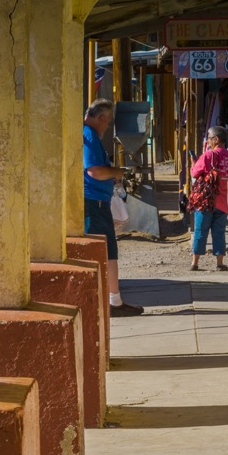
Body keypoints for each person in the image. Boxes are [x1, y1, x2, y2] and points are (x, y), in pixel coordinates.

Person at [83, 98, 144, 316]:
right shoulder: (89, 135)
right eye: (107, 123)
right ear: (101, 118)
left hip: (96, 200)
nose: (107, 127)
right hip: (93, 200)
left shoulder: (88, 135)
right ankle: (112, 301)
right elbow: (94, 171)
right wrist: (118, 172)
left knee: (107, 250)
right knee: (105, 251)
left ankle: (112, 299)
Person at [189, 126, 228, 271]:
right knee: (219, 232)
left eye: (209, 139)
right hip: (223, 201)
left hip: (206, 201)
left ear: (216, 139)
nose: (208, 142)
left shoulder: (207, 156)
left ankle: (195, 262)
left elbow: (194, 173)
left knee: (200, 231)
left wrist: (193, 164)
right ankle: (220, 262)